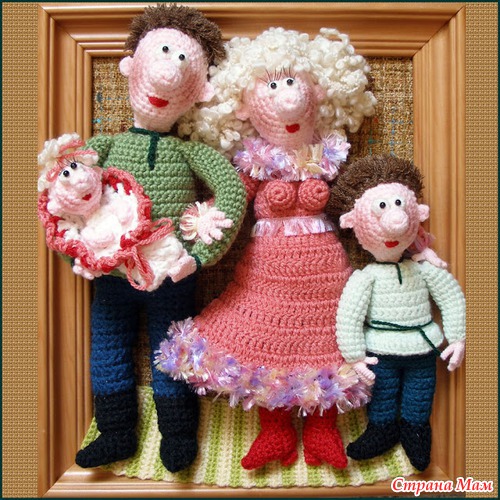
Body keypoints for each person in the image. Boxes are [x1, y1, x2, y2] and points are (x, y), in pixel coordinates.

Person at [156, 27, 376, 470]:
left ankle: (323, 430)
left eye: (294, 82)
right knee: (264, 343)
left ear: (317, 93)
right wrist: (200, 230)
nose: (287, 97)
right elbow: (231, 202)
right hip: (266, 276)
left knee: (328, 343)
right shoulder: (254, 164)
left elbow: (359, 201)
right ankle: (275, 432)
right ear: (244, 107)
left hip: (327, 278)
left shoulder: (328, 158)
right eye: (272, 86)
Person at [74, 4, 247, 473]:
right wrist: (77, 247)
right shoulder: (104, 147)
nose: (168, 74)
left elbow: (232, 191)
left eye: (182, 63)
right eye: (161, 57)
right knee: (107, 347)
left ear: (199, 92)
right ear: (130, 68)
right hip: (113, 272)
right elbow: (64, 192)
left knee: (172, 353)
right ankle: (115, 432)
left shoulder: (190, 153)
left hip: (173, 273)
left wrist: (201, 253)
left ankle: (179, 433)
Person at [331, 155, 466, 471]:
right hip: (381, 352)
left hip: (423, 348)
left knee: (421, 396)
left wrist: (457, 337)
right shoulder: (365, 278)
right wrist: (355, 357)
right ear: (355, 224)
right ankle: (382, 429)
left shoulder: (424, 268)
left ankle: (415, 431)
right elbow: (348, 317)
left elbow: (450, 296)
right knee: (382, 394)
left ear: (416, 215)